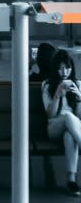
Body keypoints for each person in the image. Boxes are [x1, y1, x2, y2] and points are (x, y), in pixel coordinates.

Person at [42, 50, 81, 195]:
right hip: (53, 127)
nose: (64, 71)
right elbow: (50, 114)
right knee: (68, 117)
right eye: (60, 68)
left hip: (73, 128)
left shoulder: (77, 84)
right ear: (55, 69)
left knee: (70, 136)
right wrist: (57, 94)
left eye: (67, 67)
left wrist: (79, 98)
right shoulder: (47, 85)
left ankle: (71, 181)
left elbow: (79, 117)